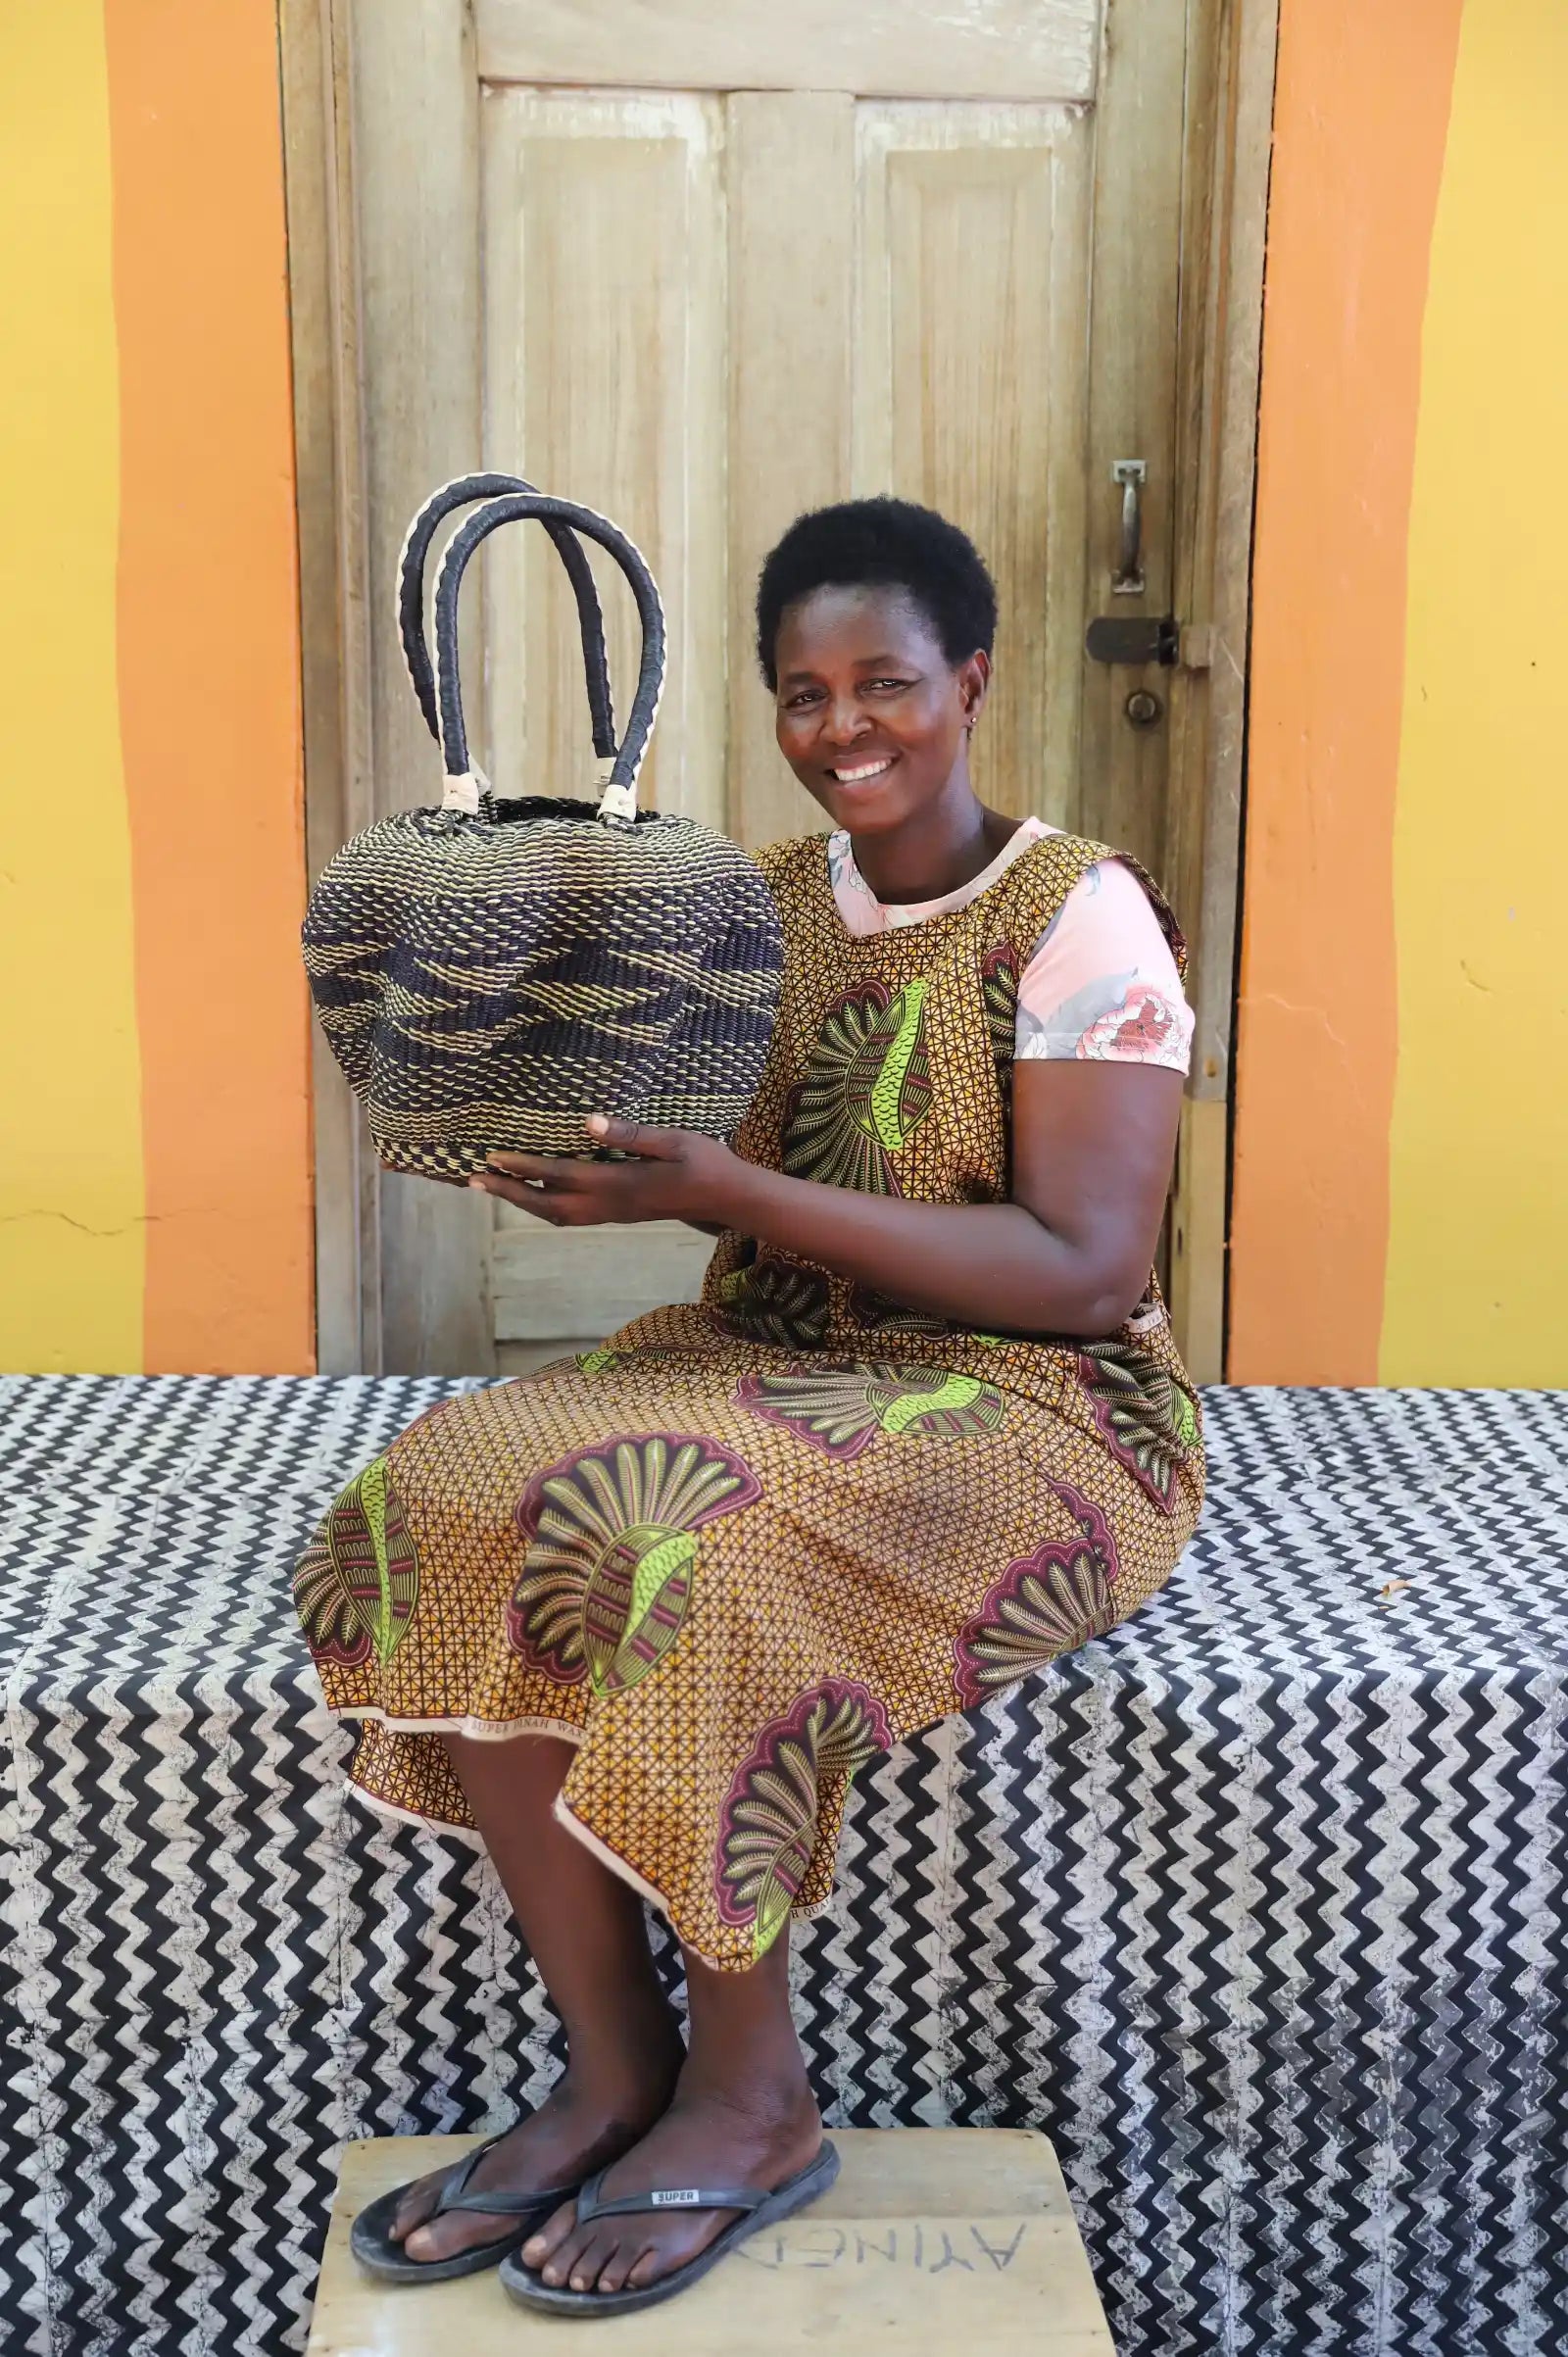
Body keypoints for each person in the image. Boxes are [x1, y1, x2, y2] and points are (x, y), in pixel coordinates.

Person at [294, 496, 1204, 2318]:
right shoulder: (755, 904)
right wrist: (568, 1143)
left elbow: (1087, 1269)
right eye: (805, 692)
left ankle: (757, 2092)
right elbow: (674, 1135)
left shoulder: (1079, 915)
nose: (844, 726)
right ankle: (615, 2064)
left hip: (1039, 1400)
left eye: (886, 682)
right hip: (769, 1350)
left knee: (687, 1548)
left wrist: (726, 1192)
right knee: (445, 1491)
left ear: (972, 680)